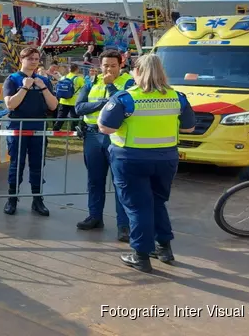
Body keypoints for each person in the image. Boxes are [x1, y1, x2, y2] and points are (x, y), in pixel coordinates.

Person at [97, 54, 196, 273]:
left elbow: (106, 128)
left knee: (137, 207)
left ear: (137, 72)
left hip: (131, 159)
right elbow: (189, 128)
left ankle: (141, 255)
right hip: (166, 159)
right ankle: (164, 249)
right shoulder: (177, 97)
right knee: (157, 203)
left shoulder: (125, 98)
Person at [73, 49, 134, 241]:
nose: (109, 69)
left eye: (113, 66)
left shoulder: (129, 83)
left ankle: (123, 225)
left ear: (121, 65)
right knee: (95, 179)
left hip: (116, 137)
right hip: (92, 135)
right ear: (100, 65)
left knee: (120, 182)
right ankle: (95, 216)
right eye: (105, 65)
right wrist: (103, 104)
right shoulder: (92, 81)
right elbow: (79, 107)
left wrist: (111, 89)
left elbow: (126, 108)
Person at [2, 47, 59, 216]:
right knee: (16, 165)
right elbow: (10, 105)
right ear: (22, 59)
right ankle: (12, 199)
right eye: (30, 58)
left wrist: (43, 88)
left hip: (38, 128)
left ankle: (37, 199)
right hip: (18, 127)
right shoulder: (12, 80)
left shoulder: (43, 80)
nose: (34, 61)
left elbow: (53, 105)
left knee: (37, 165)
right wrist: (24, 88)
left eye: (36, 58)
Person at [53, 63, 84, 130]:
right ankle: (73, 131)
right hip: (74, 101)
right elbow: (84, 88)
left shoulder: (63, 77)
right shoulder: (79, 79)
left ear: (69, 69)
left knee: (60, 117)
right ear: (77, 70)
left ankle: (55, 129)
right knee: (74, 118)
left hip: (63, 100)